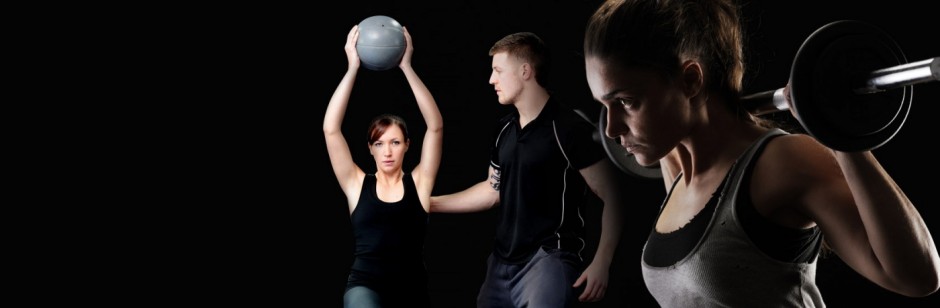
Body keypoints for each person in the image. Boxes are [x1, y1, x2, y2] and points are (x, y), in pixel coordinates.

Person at [582, 0, 940, 306]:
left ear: (691, 80)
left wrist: (836, 130)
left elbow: (918, 277)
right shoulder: (677, 167)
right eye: (605, 105)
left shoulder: (782, 162)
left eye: (626, 102)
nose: (612, 129)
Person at [431, 32, 626, 307]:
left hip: (548, 260)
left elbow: (614, 196)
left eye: (498, 71)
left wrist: (601, 262)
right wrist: (429, 203)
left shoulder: (568, 129)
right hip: (500, 264)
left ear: (525, 71)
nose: (491, 80)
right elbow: (492, 190)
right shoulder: (505, 130)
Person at [325, 24, 442, 308]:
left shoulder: (420, 183)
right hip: (365, 285)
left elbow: (435, 127)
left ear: (407, 146)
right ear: (370, 149)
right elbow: (331, 129)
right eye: (379, 144)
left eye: (395, 142)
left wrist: (406, 67)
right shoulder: (356, 184)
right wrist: (352, 68)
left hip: (412, 290)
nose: (387, 151)